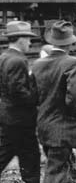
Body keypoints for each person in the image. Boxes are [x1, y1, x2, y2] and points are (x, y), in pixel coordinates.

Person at [32, 21, 76, 183]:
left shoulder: (37, 64)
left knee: (64, 168)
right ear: (70, 43)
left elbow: (32, 97)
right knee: (55, 173)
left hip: (43, 126)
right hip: (63, 128)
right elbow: (74, 98)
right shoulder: (72, 62)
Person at [0, 21, 40, 183]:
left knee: (12, 153)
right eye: (28, 39)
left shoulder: (3, 57)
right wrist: (36, 98)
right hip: (20, 119)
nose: (30, 43)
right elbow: (18, 91)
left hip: (8, 115)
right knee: (30, 158)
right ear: (21, 39)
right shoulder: (18, 60)